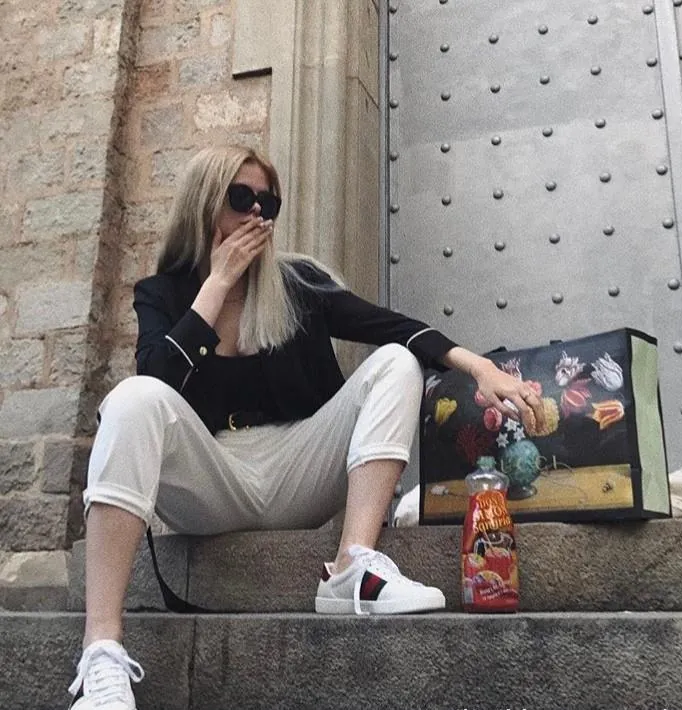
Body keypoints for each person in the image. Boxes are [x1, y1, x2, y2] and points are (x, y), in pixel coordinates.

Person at [67, 145, 544, 709]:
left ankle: (351, 565)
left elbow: (391, 326)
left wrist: (481, 368)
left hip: (297, 469)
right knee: (132, 398)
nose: (256, 213)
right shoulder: (163, 293)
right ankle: (102, 653)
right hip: (208, 480)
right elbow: (159, 377)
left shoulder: (297, 284)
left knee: (396, 361)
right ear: (204, 203)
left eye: (267, 203)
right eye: (240, 198)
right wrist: (217, 284)